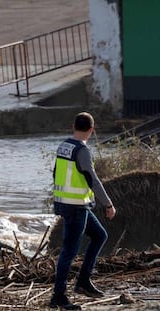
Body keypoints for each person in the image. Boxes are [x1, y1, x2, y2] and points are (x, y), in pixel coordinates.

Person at [50, 112, 116, 310]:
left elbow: (55, 173)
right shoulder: (82, 150)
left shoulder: (64, 146)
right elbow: (92, 179)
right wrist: (108, 204)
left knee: (99, 235)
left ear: (73, 126)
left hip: (69, 204)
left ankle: (83, 282)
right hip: (76, 207)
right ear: (91, 130)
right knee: (69, 251)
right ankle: (58, 297)